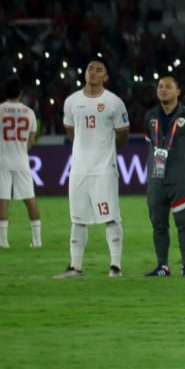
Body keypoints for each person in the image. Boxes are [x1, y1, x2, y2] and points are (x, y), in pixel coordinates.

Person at [55, 56, 130, 278]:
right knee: (77, 218)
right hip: (78, 168)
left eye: (99, 70)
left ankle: (115, 266)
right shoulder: (71, 101)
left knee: (111, 217)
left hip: (104, 169)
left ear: (106, 77)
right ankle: (75, 267)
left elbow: (123, 133)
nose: (93, 72)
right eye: (90, 68)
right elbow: (71, 131)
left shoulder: (114, 102)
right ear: (85, 72)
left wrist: (106, 151)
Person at [142, 74, 185, 277]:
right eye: (160, 86)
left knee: (184, 225)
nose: (163, 89)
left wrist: (182, 164)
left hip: (179, 182)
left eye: (168, 86)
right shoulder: (150, 116)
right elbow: (150, 142)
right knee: (158, 225)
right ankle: (162, 266)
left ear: (178, 92)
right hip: (156, 180)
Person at [0, 78, 41, 249]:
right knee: (30, 200)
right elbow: (31, 139)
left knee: (2, 201)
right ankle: (37, 240)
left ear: (4, 92)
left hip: (3, 159)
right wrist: (21, 150)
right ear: (21, 93)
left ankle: (4, 241)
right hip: (21, 159)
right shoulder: (29, 112)